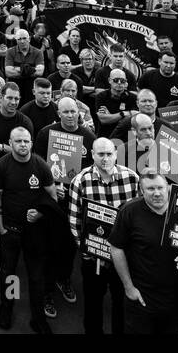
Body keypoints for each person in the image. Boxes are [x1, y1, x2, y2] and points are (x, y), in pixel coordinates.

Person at [68, 136, 140, 334]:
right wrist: (88, 252)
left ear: (116, 154)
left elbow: (139, 218)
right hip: (94, 258)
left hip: (124, 258)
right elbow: (75, 222)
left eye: (109, 154)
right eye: (101, 154)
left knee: (122, 304)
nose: (105, 159)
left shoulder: (132, 178)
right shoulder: (80, 181)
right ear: (92, 155)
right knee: (92, 305)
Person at [0, 125, 61, 334]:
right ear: (10, 143)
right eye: (18, 141)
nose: (23, 144)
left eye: (26, 141)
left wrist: (40, 214)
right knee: (10, 274)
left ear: (31, 142)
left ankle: (38, 318)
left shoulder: (40, 165)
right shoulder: (3, 165)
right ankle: (7, 308)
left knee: (36, 277)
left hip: (35, 232)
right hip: (10, 230)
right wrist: (0, 226)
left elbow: (53, 197)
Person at [109, 170, 178, 334]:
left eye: (160, 187)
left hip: (174, 297)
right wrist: (128, 287)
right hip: (141, 297)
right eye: (150, 189)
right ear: (141, 190)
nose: (157, 193)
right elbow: (116, 247)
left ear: (168, 187)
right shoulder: (129, 211)